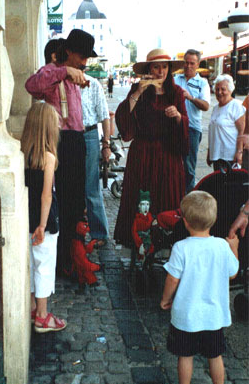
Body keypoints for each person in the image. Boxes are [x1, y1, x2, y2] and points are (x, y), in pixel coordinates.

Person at [25, 29, 97, 276]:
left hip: (76, 140)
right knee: (60, 200)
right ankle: (60, 260)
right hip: (59, 141)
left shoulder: (78, 74)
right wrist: (64, 71)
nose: (85, 62)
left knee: (76, 201)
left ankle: (72, 254)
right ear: (69, 52)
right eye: (82, 56)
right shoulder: (52, 71)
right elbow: (32, 86)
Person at [161, 191, 239, 384]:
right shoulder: (221, 247)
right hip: (214, 316)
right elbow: (233, 273)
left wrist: (166, 300)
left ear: (185, 222)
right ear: (213, 221)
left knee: (185, 355)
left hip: (187, 315)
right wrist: (234, 248)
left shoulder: (181, 248)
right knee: (215, 356)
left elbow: (172, 279)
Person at [114, 48, 189, 248]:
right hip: (143, 155)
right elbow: (123, 116)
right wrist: (138, 90)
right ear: (149, 68)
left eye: (164, 67)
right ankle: (138, 240)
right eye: (156, 67)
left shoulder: (177, 93)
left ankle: (166, 240)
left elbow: (185, 122)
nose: (161, 71)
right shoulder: (140, 91)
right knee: (141, 198)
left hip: (168, 156)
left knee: (167, 197)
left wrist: (178, 117)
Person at [21, 102, 67, 333]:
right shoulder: (48, 157)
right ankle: (42, 315)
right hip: (44, 223)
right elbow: (46, 195)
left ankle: (31, 309)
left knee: (30, 265)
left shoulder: (23, 153)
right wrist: (42, 224)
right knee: (44, 267)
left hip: (25, 220)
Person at [174, 49, 211, 193]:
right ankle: (174, 196)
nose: (188, 66)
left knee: (189, 167)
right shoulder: (176, 79)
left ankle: (188, 200)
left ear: (198, 64)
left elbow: (206, 106)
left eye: (192, 63)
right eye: (186, 62)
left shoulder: (203, 83)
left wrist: (191, 98)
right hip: (175, 127)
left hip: (192, 128)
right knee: (174, 164)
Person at [81, 74, 110, 245]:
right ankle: (74, 231)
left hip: (89, 135)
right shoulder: (62, 81)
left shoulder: (93, 84)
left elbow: (104, 115)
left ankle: (99, 233)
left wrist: (106, 144)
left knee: (91, 187)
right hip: (67, 136)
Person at [207, 74, 246, 171]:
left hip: (230, 157)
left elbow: (242, 131)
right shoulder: (215, 108)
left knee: (230, 185)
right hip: (217, 156)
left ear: (230, 90)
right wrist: (209, 152)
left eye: (223, 89)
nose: (219, 92)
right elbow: (213, 131)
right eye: (217, 89)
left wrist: (239, 152)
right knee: (219, 184)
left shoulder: (236, 106)